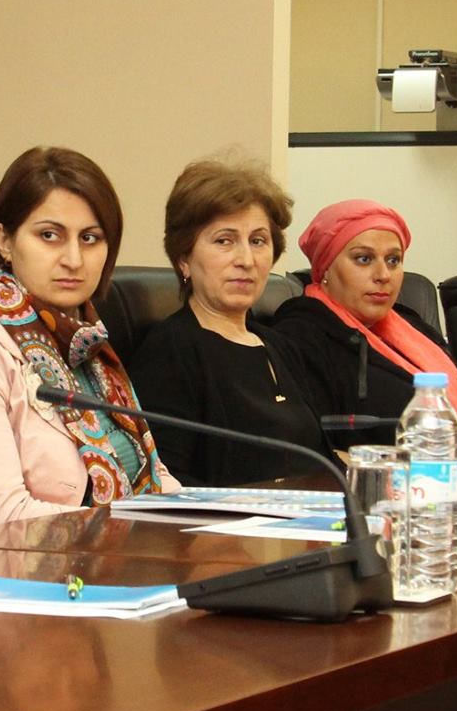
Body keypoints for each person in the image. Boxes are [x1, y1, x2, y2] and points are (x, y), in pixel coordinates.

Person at [0, 146, 178, 522]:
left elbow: (155, 478)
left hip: (134, 551)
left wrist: (207, 520)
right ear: (5, 241)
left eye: (90, 238)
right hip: (35, 559)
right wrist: (138, 535)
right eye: (50, 235)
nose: (73, 259)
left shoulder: (89, 346)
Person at [126, 159, 327, 485]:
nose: (246, 260)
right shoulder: (170, 352)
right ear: (184, 258)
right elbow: (168, 483)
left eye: (258, 241)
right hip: (227, 519)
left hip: (312, 513)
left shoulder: (280, 346)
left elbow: (320, 461)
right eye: (224, 241)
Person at [265, 200, 457, 453]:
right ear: (325, 267)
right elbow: (314, 450)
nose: (383, 275)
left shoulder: (413, 325)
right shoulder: (300, 337)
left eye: (393, 260)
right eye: (364, 259)